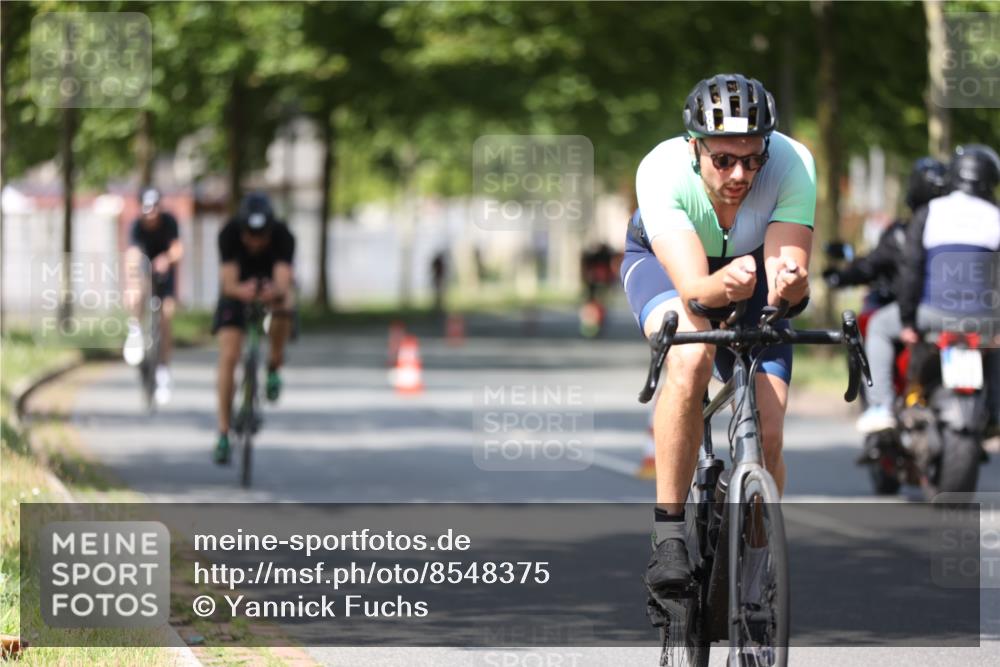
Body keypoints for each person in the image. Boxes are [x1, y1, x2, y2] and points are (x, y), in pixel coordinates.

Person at [620, 74, 814, 597]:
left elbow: (788, 290)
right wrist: (722, 286)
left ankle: (755, 564)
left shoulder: (792, 163)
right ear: (695, 148)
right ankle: (668, 536)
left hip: (751, 269)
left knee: (769, 428)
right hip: (674, 267)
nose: (740, 173)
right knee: (691, 359)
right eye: (724, 160)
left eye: (753, 159)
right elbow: (697, 293)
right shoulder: (661, 171)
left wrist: (791, 285)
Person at [859, 145, 1000, 434]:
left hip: (933, 315)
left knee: (879, 327)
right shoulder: (996, 215)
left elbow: (912, 270)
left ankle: (881, 407)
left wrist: (909, 320)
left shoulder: (930, 213)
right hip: (985, 320)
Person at [212, 192, 296, 464]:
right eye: (250, 234)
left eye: (261, 235)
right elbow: (228, 283)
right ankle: (223, 432)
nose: (255, 241)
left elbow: (283, 282)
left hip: (269, 290)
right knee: (229, 355)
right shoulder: (228, 234)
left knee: (286, 306)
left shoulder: (284, 236)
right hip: (238, 292)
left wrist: (274, 292)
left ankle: (274, 364)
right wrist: (243, 291)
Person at [823, 158, 948, 311]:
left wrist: (840, 277)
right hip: (951, 313)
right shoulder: (955, 232)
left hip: (908, 313)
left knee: (875, 326)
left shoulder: (900, 235)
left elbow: (869, 266)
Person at [123, 187, 183, 405]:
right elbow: (131, 254)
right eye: (147, 209)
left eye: (154, 208)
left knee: (166, 316)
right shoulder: (136, 226)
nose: (151, 214)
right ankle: (135, 330)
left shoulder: (170, 222)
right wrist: (132, 283)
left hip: (165, 274)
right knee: (136, 290)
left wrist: (167, 259)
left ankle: (163, 371)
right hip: (143, 270)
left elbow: (178, 249)